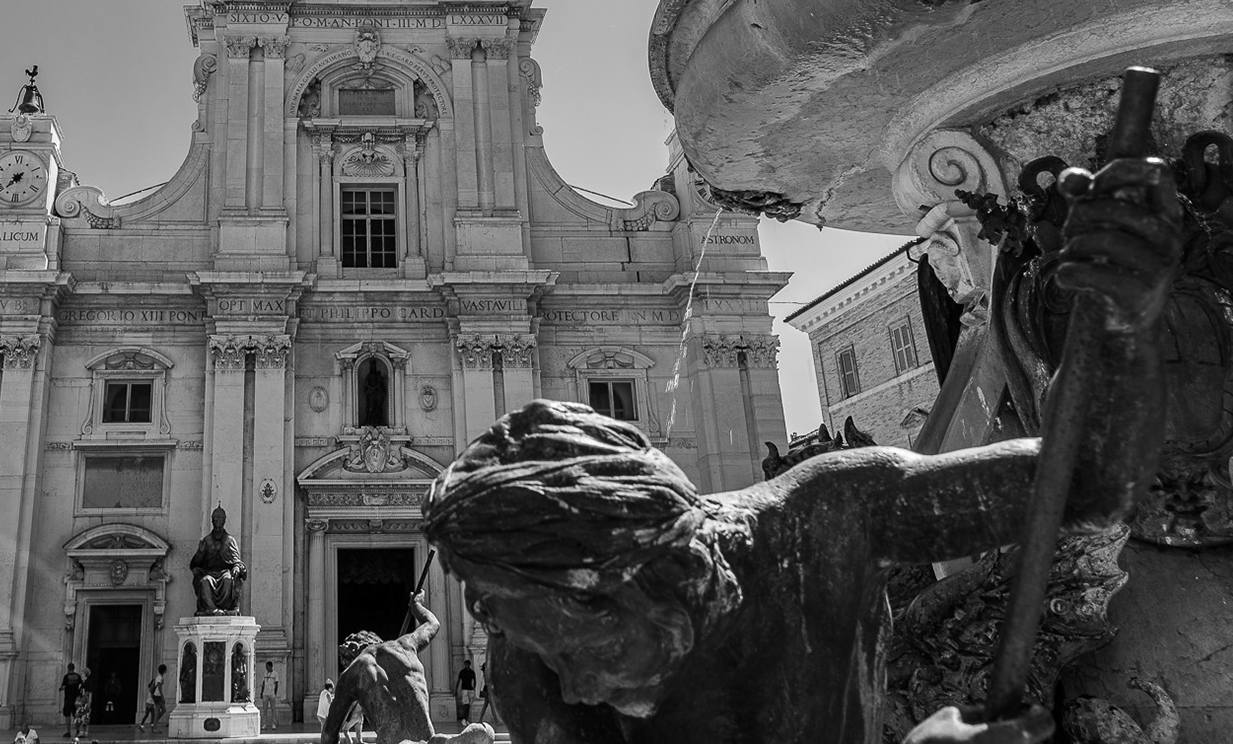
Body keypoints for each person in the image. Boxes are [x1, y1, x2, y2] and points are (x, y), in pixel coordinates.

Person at [423, 146, 1182, 744]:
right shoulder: (531, 648)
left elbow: (1089, 478)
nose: (573, 686)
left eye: (579, 648)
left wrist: (1125, 316)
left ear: (638, 565)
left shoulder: (829, 521)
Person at [320, 596, 493, 744]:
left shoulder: (352, 674)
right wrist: (416, 604)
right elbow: (433, 623)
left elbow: (329, 736)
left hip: (391, 740)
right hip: (425, 736)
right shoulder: (405, 645)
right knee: (485, 732)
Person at [189, 507, 246, 613]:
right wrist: (200, 552)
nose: (218, 521)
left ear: (224, 520)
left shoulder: (230, 540)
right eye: (216, 519)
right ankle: (213, 610)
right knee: (205, 581)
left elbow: (237, 561)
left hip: (225, 573)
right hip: (209, 573)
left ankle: (226, 609)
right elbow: (195, 564)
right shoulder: (207, 540)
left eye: (220, 519)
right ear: (212, 520)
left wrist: (237, 567)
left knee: (228, 580)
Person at [59, 666, 84, 738]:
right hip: (76, 698)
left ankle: (68, 732)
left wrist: (60, 689)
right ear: (74, 668)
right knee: (76, 715)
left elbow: (63, 687)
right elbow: (81, 686)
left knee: (67, 715)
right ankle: (78, 731)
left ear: (68, 668)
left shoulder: (66, 676)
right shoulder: (78, 676)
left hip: (68, 698)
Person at [141, 664, 167, 729]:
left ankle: (154, 722)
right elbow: (159, 688)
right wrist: (162, 697)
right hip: (157, 696)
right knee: (158, 712)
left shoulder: (159, 677)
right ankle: (154, 726)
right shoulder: (159, 678)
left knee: (163, 710)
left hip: (158, 696)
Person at [258, 661, 280, 726]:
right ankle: (264, 723)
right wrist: (261, 692)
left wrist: (275, 693)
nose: (266, 668)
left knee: (273, 709)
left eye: (267, 666)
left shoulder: (275, 674)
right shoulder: (265, 673)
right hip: (265, 693)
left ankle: (274, 723)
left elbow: (276, 684)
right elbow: (263, 683)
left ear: (271, 666)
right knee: (264, 709)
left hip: (272, 693)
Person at [454, 658, 476, 725]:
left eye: (467, 664)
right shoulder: (462, 672)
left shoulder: (472, 672)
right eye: (465, 664)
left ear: (469, 664)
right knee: (465, 704)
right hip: (464, 689)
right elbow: (458, 681)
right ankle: (464, 718)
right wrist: (456, 690)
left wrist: (474, 688)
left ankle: (467, 718)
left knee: (469, 705)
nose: (466, 665)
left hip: (470, 689)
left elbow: (474, 680)